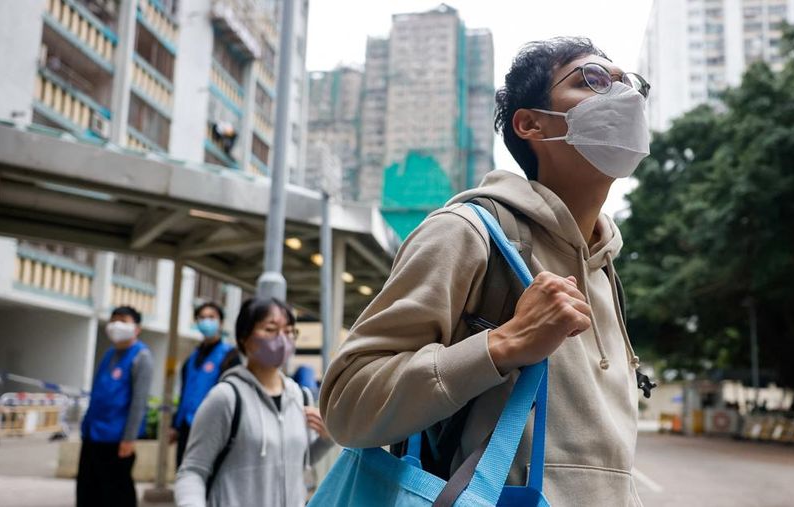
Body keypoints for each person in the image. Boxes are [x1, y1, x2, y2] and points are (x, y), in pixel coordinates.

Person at [320, 37, 651, 506]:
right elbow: (345, 403)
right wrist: (503, 344)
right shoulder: (467, 233)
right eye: (593, 79)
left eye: (630, 84)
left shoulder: (606, 270)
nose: (625, 96)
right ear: (530, 123)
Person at [175, 297, 333, 507]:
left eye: (289, 331)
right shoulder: (226, 397)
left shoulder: (299, 397)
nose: (282, 339)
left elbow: (298, 461)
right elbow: (192, 471)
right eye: (270, 329)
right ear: (244, 338)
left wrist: (326, 439)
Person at [77, 305, 154, 507]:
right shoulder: (109, 354)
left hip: (117, 438)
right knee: (88, 491)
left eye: (123, 320)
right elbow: (98, 393)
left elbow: (139, 402)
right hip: (93, 434)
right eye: (114, 320)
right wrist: (85, 426)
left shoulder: (141, 356)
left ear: (137, 328)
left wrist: (129, 438)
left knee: (116, 493)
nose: (117, 325)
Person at [171, 302, 241, 467]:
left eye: (211, 317)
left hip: (213, 428)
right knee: (183, 470)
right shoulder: (191, 359)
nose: (206, 321)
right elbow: (184, 394)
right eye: (202, 318)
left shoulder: (230, 356)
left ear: (220, 323)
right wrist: (175, 425)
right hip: (187, 428)